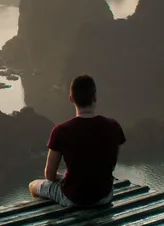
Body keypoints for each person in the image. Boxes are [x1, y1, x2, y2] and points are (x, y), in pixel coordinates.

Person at [29, 74, 125, 207]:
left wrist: (64, 177)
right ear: (95, 97)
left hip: (73, 198)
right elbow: (110, 165)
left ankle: (49, 222)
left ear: (71, 99)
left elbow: (49, 175)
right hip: (105, 196)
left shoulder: (60, 131)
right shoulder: (114, 126)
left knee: (33, 185)